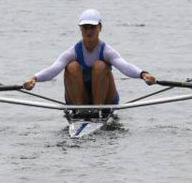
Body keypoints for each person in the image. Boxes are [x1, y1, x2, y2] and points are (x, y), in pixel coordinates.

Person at [22, 9, 156, 120]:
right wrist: (34, 79)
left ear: (100, 28)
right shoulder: (73, 51)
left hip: (105, 100)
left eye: (92, 27)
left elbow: (124, 66)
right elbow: (54, 69)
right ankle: (79, 112)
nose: (88, 31)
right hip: (81, 100)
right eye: (85, 27)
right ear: (80, 29)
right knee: (71, 67)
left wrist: (143, 74)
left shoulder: (107, 51)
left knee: (100, 66)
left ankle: (98, 112)